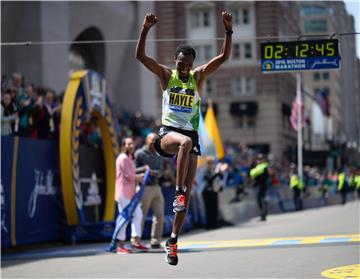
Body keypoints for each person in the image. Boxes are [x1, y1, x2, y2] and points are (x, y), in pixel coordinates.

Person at [135, 11, 232, 265]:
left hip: (190, 138)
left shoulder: (198, 76)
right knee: (184, 144)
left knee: (185, 203)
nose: (185, 68)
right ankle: (177, 191)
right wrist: (145, 28)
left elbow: (223, 57)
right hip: (168, 135)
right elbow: (141, 57)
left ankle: (173, 241)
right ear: (174, 60)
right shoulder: (167, 76)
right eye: (181, 63)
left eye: (188, 64)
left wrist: (228, 30)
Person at [107, 137, 148, 254]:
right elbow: (129, 176)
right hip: (123, 193)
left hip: (131, 193)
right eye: (128, 144)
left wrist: (140, 174)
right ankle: (120, 246)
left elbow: (132, 174)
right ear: (123, 146)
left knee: (138, 215)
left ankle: (135, 241)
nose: (131, 146)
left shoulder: (129, 158)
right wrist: (140, 177)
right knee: (124, 219)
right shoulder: (122, 158)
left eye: (132, 144)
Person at [134, 132, 165, 249]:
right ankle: (136, 240)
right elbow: (132, 170)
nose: (153, 142)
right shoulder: (139, 154)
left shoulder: (158, 155)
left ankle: (155, 241)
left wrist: (154, 173)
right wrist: (144, 169)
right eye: (151, 140)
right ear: (146, 140)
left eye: (155, 140)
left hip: (156, 187)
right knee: (141, 215)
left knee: (159, 214)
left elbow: (161, 172)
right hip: (144, 187)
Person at [250, 153, 269, 221]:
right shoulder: (259, 166)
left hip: (262, 186)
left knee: (260, 199)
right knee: (260, 199)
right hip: (260, 185)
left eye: (260, 159)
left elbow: (252, 173)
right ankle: (263, 214)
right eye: (258, 159)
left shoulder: (262, 166)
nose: (259, 160)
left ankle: (263, 214)